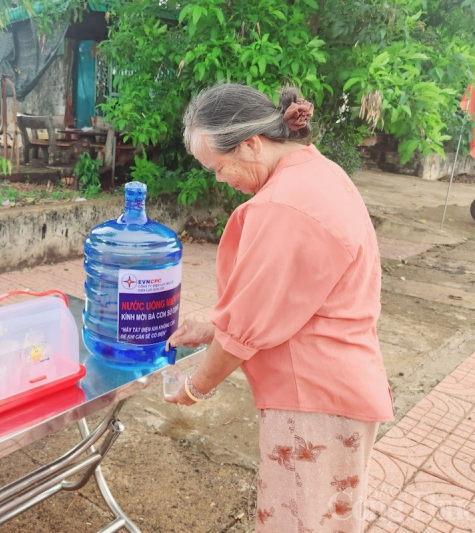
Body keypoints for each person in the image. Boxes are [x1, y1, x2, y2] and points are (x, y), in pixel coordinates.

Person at [165, 83, 394, 533]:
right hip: (344, 387)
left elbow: (245, 331)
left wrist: (194, 387)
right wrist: (209, 326)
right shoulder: (318, 172)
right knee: (329, 519)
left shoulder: (282, 206)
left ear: (251, 144)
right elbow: (287, 299)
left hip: (311, 401)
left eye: (219, 165)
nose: (219, 178)